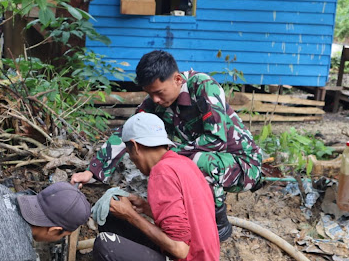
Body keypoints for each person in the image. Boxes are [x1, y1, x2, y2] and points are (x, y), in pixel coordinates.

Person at [72, 50, 262, 241]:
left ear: (178, 79)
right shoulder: (157, 102)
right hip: (208, 162)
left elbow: (216, 141)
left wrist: (167, 153)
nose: (155, 100)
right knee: (169, 163)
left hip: (242, 166)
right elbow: (128, 132)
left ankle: (218, 223)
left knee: (183, 161)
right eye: (150, 94)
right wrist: (92, 171)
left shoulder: (203, 86)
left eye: (158, 93)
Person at [92, 113, 220, 261]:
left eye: (129, 153)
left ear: (135, 146)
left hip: (187, 257)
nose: (133, 161)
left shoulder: (161, 173)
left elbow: (180, 250)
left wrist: (130, 215)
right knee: (112, 217)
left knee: (106, 246)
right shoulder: (184, 163)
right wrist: (146, 209)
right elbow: (189, 220)